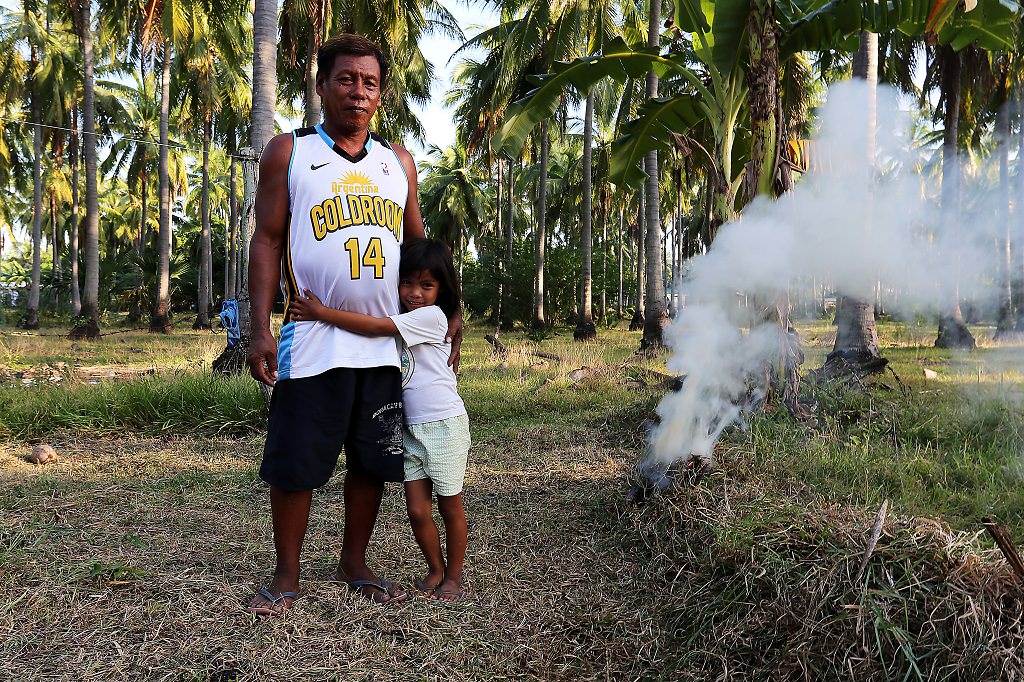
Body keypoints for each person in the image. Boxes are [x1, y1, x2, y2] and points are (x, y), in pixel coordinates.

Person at [246, 34, 461, 615]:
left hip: (386, 340)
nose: (357, 92)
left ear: (381, 94)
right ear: (321, 86)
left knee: (370, 460)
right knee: (296, 460)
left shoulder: (398, 163)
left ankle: (353, 560)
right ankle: (286, 574)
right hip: (311, 337)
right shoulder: (289, 151)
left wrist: (450, 316)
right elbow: (266, 240)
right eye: (345, 79)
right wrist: (259, 326)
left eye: (369, 83)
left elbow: (420, 252)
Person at [289, 239, 471, 602]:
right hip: (408, 429)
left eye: (427, 285)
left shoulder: (431, 318)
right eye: (407, 283)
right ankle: (435, 569)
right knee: (417, 510)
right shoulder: (407, 316)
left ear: (442, 289)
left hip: (443, 424)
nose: (415, 293)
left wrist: (322, 313)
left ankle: (453, 577)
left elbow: (374, 327)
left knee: (450, 505)